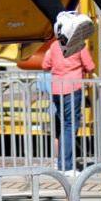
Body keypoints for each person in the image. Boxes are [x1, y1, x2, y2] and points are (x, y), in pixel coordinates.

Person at [42, 39, 94, 173]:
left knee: (63, 126)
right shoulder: (79, 44)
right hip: (72, 87)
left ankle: (60, 162)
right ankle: (67, 166)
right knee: (70, 126)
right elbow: (90, 66)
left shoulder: (54, 45)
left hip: (56, 89)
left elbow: (45, 65)